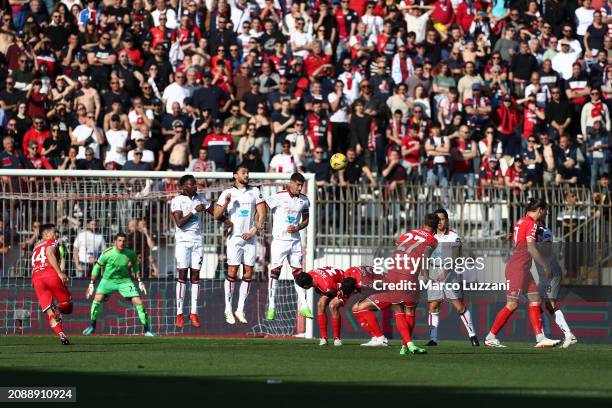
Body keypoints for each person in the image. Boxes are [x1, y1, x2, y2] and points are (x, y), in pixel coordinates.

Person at [351, 213, 439, 354]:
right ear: (436, 227)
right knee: (409, 310)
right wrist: (426, 275)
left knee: (398, 310)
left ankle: (407, 346)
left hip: (392, 272)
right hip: (408, 275)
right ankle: (406, 345)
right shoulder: (432, 240)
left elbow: (399, 246)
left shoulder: (409, 233)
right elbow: (425, 255)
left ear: (424, 223)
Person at [484, 198, 561, 348]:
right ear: (540, 210)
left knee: (535, 300)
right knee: (512, 304)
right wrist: (545, 264)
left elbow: (520, 238)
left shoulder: (521, 221)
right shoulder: (531, 224)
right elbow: (531, 247)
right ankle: (490, 337)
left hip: (523, 269)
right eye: (545, 211)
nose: (546, 214)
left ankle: (540, 338)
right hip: (517, 268)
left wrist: (511, 237)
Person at [170, 175, 230, 328]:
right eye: (191, 184)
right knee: (183, 274)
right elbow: (179, 223)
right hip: (183, 241)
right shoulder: (177, 201)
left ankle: (194, 312)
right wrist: (194, 212)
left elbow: (214, 213)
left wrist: (229, 222)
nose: (195, 186)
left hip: (197, 241)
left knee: (196, 276)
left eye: (195, 184)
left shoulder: (200, 199)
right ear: (183, 187)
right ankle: (179, 313)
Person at [214, 166, 267, 325]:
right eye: (243, 172)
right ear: (235, 175)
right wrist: (226, 203)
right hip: (234, 238)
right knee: (232, 270)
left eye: (247, 172)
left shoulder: (255, 191)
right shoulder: (226, 193)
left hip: (250, 237)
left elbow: (262, 213)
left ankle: (240, 308)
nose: (246, 174)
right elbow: (216, 215)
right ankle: (228, 308)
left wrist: (254, 230)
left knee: (249, 272)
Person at [82, 233, 155, 337]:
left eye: (123, 241)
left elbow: (135, 266)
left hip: (125, 281)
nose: (122, 243)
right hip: (108, 280)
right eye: (119, 240)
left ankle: (147, 330)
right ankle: (92, 326)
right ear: (115, 242)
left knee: (138, 302)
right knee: (97, 299)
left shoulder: (130, 253)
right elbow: (97, 267)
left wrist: (139, 281)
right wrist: (91, 283)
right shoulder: (107, 253)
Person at [426, 208, 479, 347]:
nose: (439, 222)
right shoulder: (429, 237)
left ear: (447, 220)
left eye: (442, 219)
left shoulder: (453, 236)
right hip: (434, 273)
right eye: (437, 219)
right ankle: (433, 339)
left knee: (459, 306)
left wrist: (445, 272)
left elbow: (455, 258)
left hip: (450, 275)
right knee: (433, 305)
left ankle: (472, 335)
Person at [265, 173, 311, 321]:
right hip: (279, 240)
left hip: (295, 241)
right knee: (275, 272)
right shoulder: (279, 196)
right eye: (298, 184)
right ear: (291, 183)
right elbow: (262, 208)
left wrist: (297, 227)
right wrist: (259, 223)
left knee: (298, 273)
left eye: (301, 185)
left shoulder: (304, 200)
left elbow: (306, 221)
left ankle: (304, 306)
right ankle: (271, 306)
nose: (300, 187)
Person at [294, 266, 362, 346]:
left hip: (345, 285)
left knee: (333, 305)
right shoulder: (310, 275)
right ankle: (324, 338)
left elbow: (341, 289)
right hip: (331, 285)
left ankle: (337, 339)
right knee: (320, 304)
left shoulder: (326, 285)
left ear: (305, 286)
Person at [535, 222, 578, 348]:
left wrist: (533, 246)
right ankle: (545, 336)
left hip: (551, 271)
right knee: (539, 303)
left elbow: (547, 247)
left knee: (550, 303)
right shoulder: (531, 232)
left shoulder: (544, 231)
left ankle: (569, 335)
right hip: (543, 274)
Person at [31, 224, 72, 345]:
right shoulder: (52, 242)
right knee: (68, 306)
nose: (56, 235)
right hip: (51, 275)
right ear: (47, 234)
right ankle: (58, 308)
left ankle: (61, 335)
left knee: (49, 311)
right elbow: (49, 253)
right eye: (54, 232)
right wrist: (60, 273)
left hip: (37, 279)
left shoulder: (36, 247)